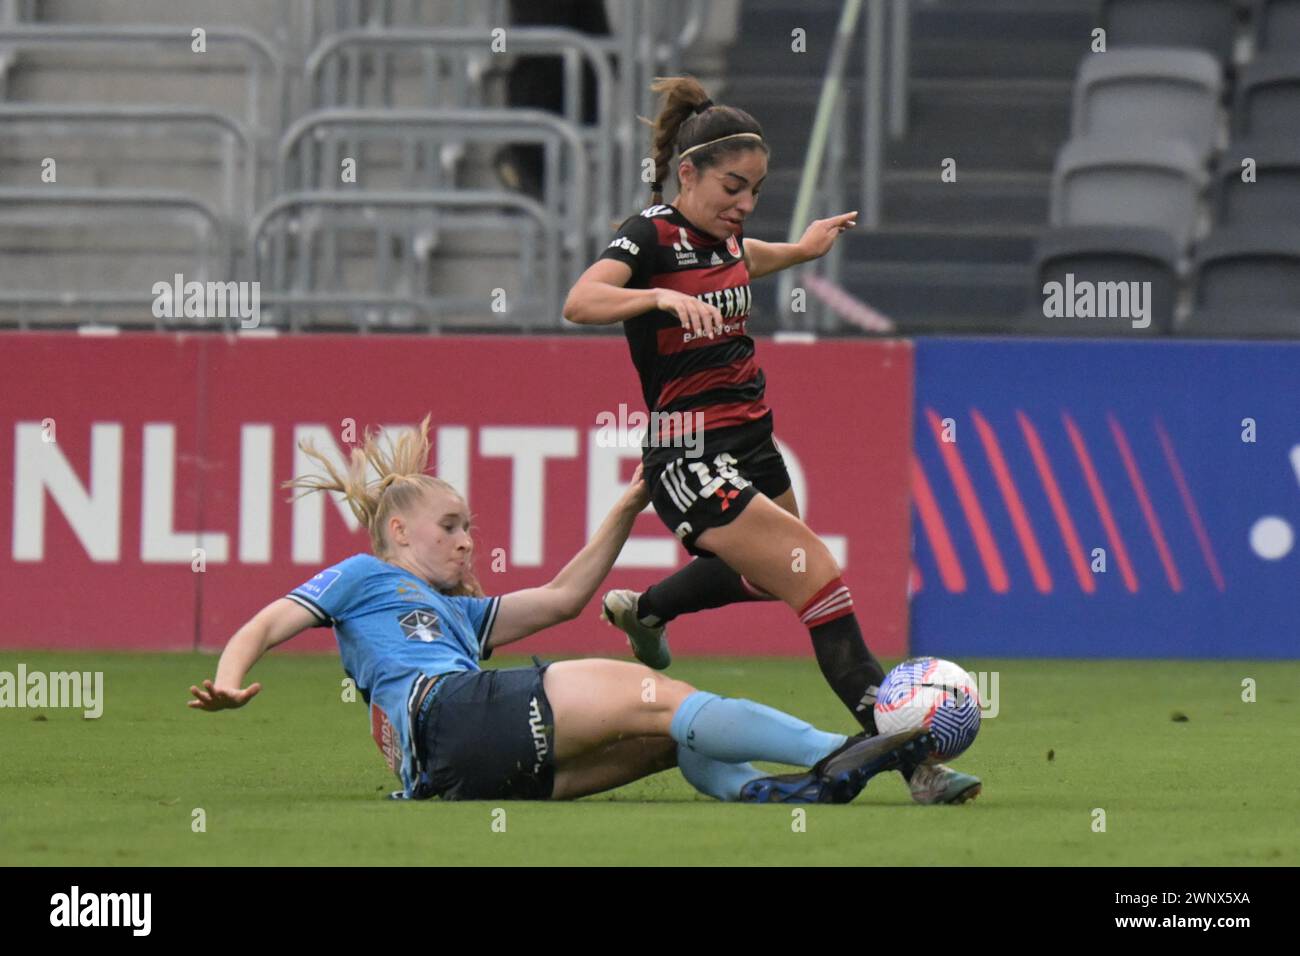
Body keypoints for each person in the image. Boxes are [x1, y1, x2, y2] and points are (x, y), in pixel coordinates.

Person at [561, 76, 980, 805]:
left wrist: (803, 249)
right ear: (686, 172)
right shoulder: (649, 234)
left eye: (754, 190)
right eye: (733, 186)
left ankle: (650, 609)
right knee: (817, 572)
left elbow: (739, 260)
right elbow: (580, 300)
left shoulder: (720, 234)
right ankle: (916, 765)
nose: (744, 204)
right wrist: (658, 296)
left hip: (752, 440)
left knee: (769, 576)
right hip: (688, 453)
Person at [187, 415, 934, 803]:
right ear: (396, 532)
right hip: (447, 712)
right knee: (660, 696)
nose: (467, 541)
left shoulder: (460, 618)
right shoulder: (361, 576)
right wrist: (228, 677)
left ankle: (778, 790)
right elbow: (264, 623)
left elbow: (564, 598)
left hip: (456, 771)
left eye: (470, 527)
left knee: (665, 737)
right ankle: (845, 750)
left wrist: (633, 501)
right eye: (450, 527)